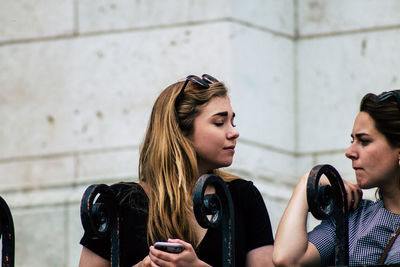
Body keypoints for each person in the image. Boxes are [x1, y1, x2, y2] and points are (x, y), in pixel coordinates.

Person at [79, 74, 274, 267]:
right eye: (219, 122)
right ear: (180, 130)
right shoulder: (118, 203)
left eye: (233, 122)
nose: (234, 132)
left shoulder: (242, 197)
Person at [273, 89, 400, 266]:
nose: (350, 152)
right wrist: (307, 182)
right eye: (352, 141)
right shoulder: (352, 219)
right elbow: (287, 259)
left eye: (364, 141)